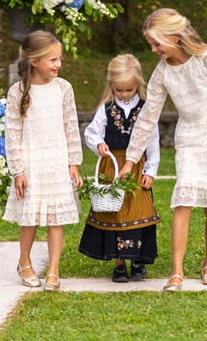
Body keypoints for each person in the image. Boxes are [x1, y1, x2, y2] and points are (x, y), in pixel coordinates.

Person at [118, 8, 207, 291]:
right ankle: (177, 271)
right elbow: (147, 118)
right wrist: (131, 159)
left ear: (175, 37)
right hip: (189, 140)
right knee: (182, 202)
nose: (153, 49)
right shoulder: (161, 74)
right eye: (150, 44)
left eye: (157, 43)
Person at [2, 30, 83, 292]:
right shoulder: (18, 91)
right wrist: (18, 170)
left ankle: (53, 270)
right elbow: (12, 134)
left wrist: (73, 162)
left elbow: (71, 126)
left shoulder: (63, 88)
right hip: (32, 161)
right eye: (53, 60)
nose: (58, 65)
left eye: (59, 59)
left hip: (57, 160)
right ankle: (24, 262)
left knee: (56, 218)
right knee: (30, 218)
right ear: (35, 61)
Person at [78, 54, 161, 282]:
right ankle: (119, 263)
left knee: (138, 212)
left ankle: (137, 259)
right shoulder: (106, 109)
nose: (124, 94)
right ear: (111, 86)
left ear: (138, 86)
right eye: (119, 90)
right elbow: (91, 132)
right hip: (112, 167)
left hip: (136, 167)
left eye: (129, 90)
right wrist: (99, 144)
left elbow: (152, 141)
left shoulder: (146, 109)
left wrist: (150, 170)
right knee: (113, 214)